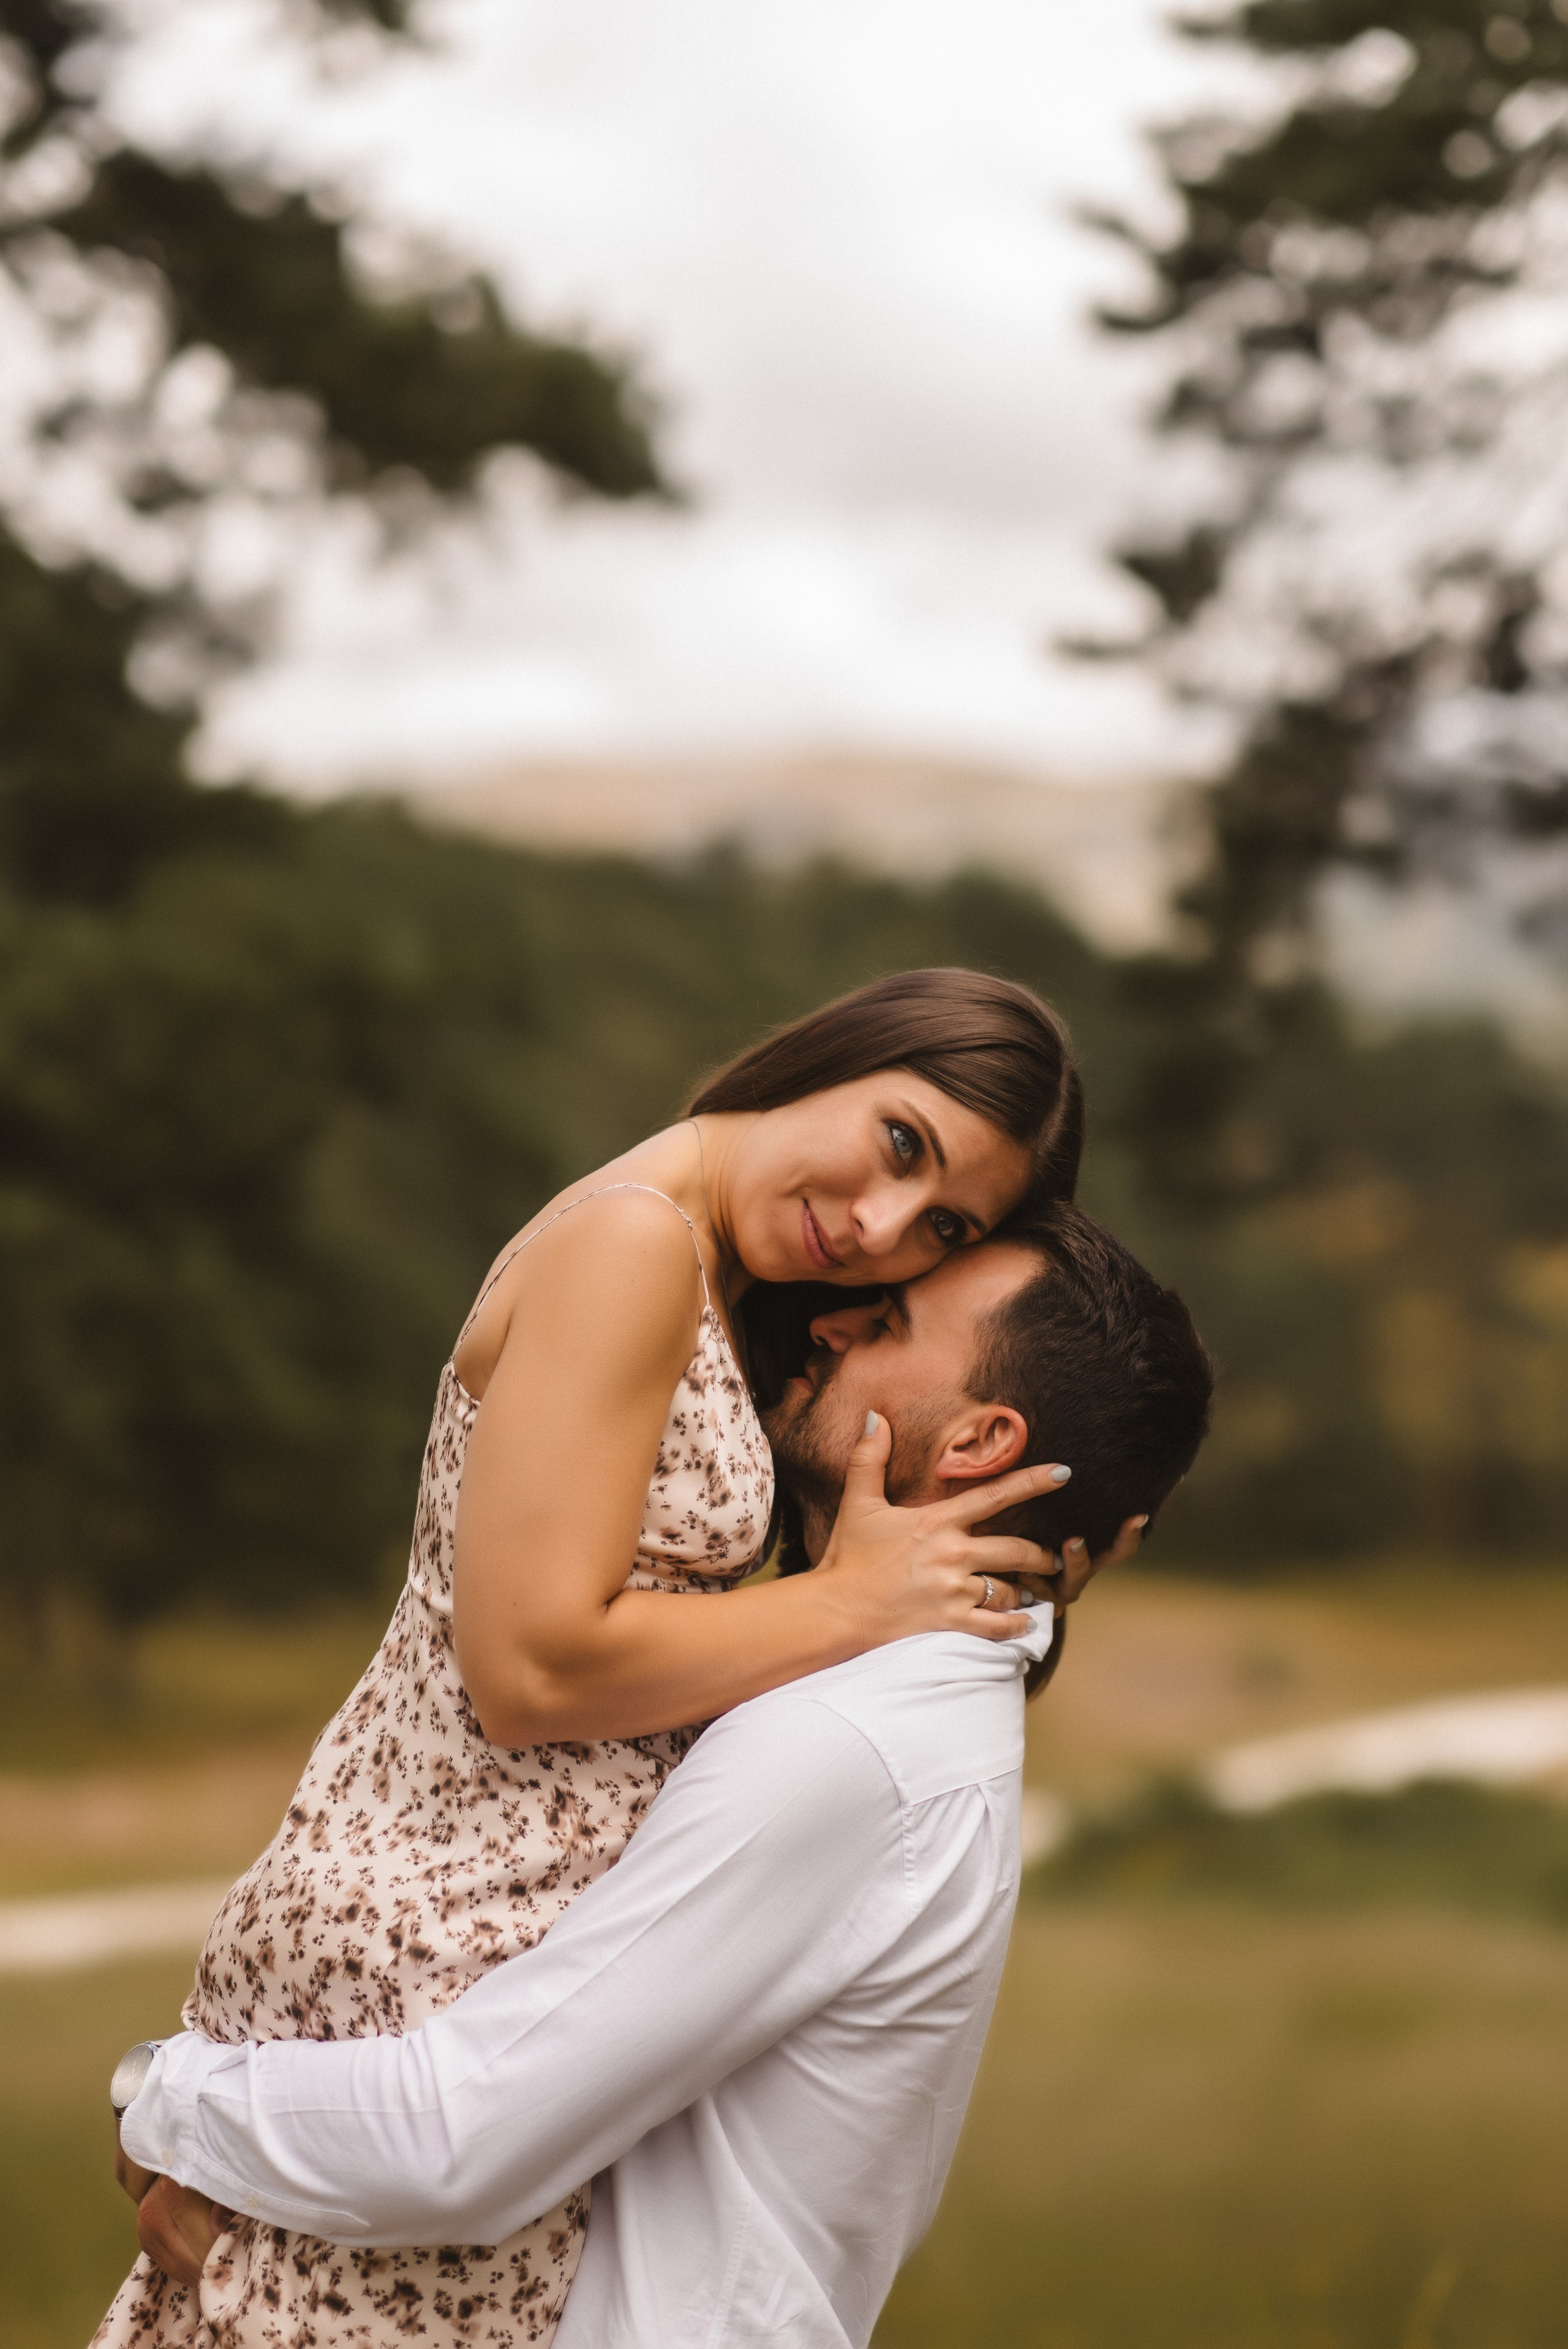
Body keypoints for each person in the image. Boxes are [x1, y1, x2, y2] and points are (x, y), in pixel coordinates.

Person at [93, 967, 1110, 2349]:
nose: (875, 1229)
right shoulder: (630, 1245)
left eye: (937, 1224)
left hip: (466, 1942)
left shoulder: (701, 1272)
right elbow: (530, 1673)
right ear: (838, 1055)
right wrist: (854, 1605)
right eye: (898, 1142)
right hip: (432, 1939)